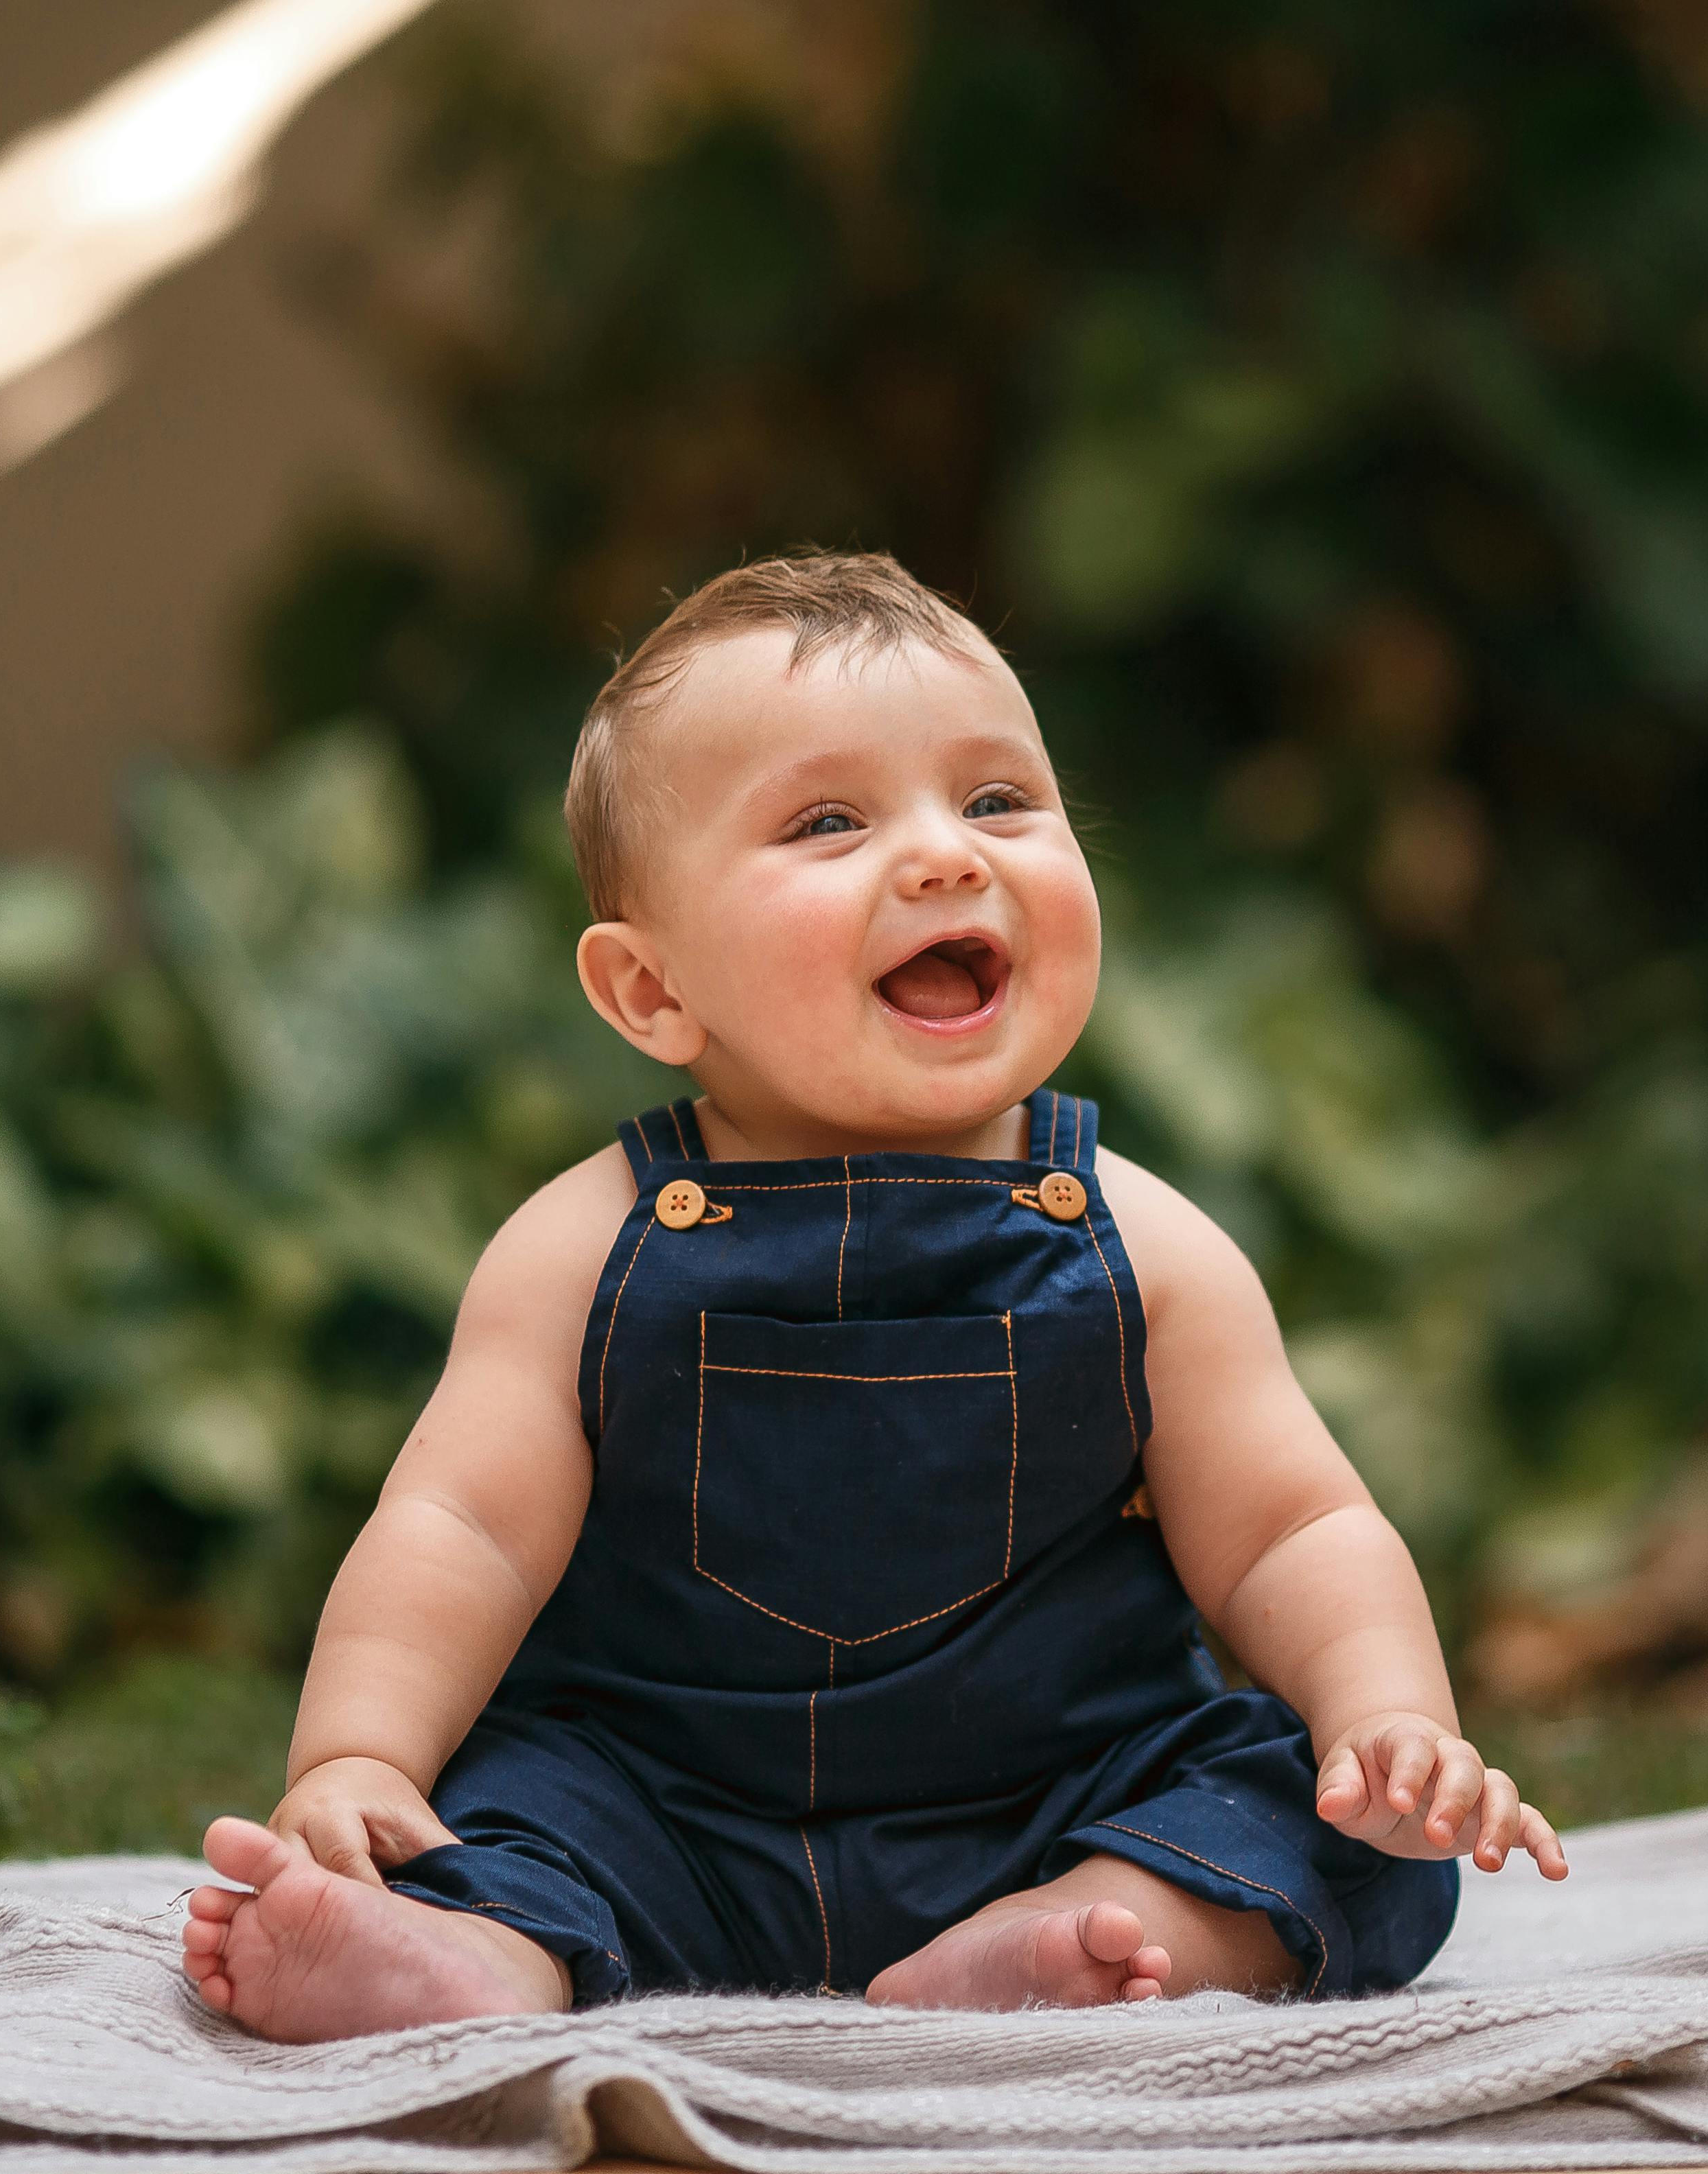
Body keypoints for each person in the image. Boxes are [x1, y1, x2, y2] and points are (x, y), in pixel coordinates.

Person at [180, 551, 1565, 2039]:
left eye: (997, 801)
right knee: (517, 1819)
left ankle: (1068, 1936)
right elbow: (458, 1527)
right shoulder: (582, 1247)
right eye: (829, 822)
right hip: (664, 1809)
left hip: (1061, 1800)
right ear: (652, 993)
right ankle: (480, 1966)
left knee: (1359, 1845)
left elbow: (1296, 1525)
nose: (946, 858)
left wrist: (1388, 1720)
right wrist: (357, 1759)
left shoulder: (1141, 1247)